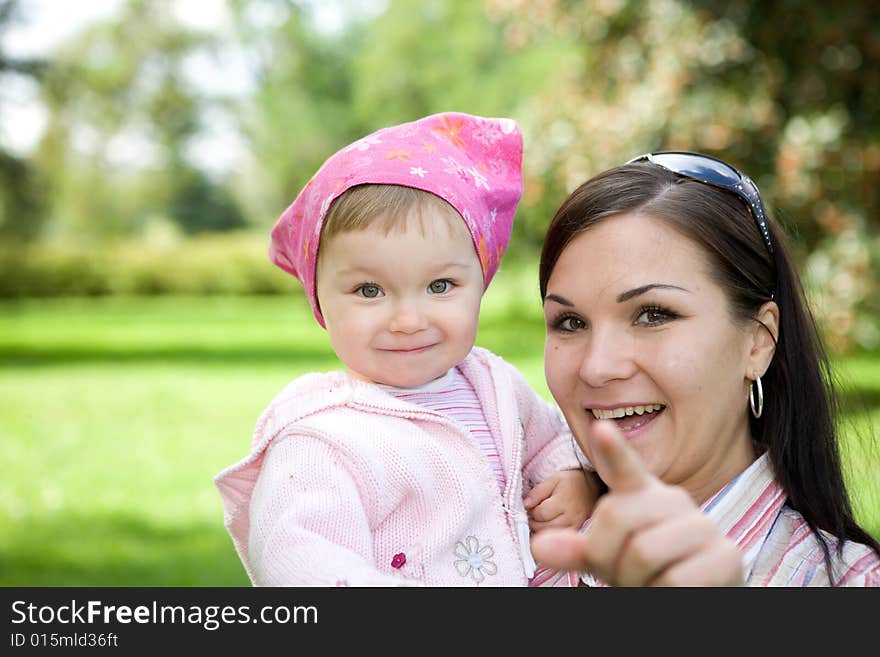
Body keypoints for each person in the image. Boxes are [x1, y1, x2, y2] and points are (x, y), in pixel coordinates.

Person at [214, 112, 596, 586]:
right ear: (320, 301)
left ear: (482, 282)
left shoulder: (496, 387)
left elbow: (556, 441)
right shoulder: (323, 441)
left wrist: (576, 481)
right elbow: (303, 562)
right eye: (370, 291)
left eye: (440, 285)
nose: (409, 321)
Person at [529, 151, 880, 586]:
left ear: (758, 341)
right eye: (571, 322)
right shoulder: (498, 544)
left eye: (654, 314)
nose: (598, 368)